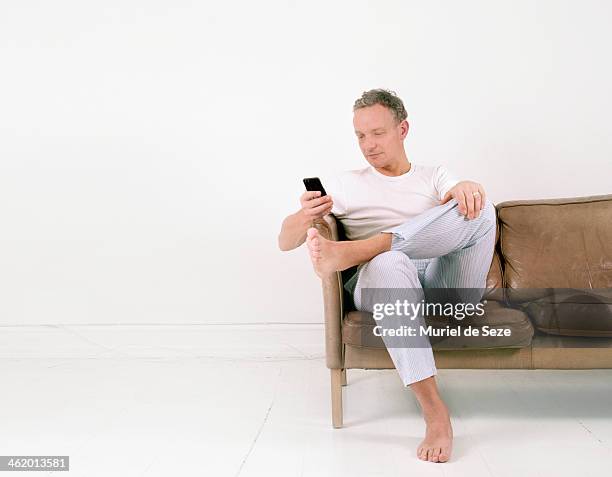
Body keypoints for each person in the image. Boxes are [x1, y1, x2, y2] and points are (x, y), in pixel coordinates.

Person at [278, 89, 496, 463]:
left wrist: (465, 188)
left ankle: (367, 247)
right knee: (389, 263)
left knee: (482, 208)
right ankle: (435, 414)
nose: (368, 145)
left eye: (377, 133)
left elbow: (465, 210)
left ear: (403, 129)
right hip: (381, 283)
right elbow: (285, 240)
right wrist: (303, 215)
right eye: (360, 136)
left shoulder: (435, 175)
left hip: (443, 283)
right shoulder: (347, 184)